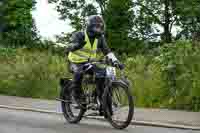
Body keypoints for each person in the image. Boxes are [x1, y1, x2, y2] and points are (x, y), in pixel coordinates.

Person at [65, 15, 122, 115]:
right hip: (74, 62)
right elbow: (68, 48)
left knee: (103, 76)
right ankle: (77, 96)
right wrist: (76, 45)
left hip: (89, 62)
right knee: (79, 73)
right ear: (90, 26)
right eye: (96, 27)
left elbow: (107, 51)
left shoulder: (100, 39)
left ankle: (103, 106)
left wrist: (116, 61)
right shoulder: (80, 35)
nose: (99, 29)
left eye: (101, 27)